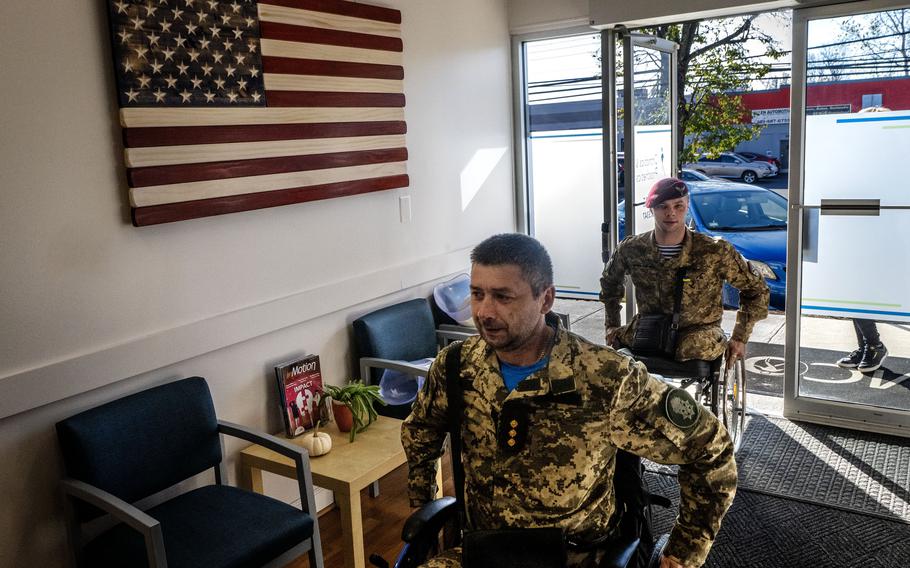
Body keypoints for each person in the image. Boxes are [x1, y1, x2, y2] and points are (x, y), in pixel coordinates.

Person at [402, 233, 737, 568]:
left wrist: (682, 553)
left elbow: (712, 447)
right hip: (483, 552)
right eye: (477, 294)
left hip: (575, 558)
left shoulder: (607, 377)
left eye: (503, 297)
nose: (484, 312)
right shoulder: (456, 366)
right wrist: (423, 500)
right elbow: (420, 430)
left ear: (545, 299)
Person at [601, 177, 770, 365]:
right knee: (608, 361)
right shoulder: (632, 249)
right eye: (662, 206)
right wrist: (612, 326)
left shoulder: (714, 251)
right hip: (649, 331)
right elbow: (609, 284)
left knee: (691, 346)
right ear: (651, 209)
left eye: (678, 206)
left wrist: (740, 337)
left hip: (700, 334)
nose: (671, 213)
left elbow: (757, 289)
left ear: (688, 205)